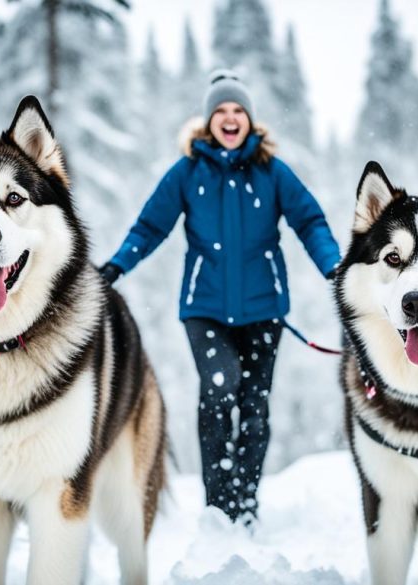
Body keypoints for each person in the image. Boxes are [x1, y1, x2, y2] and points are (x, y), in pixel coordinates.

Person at [99, 70, 340, 526]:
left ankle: (245, 503)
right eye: (221, 112)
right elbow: (151, 226)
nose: (230, 119)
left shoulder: (272, 171)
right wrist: (116, 266)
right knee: (219, 387)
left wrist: (333, 266)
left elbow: (310, 221)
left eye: (238, 111)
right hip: (205, 308)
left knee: (254, 405)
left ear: (250, 120)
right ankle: (218, 505)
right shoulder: (189, 171)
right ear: (208, 121)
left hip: (264, 309)